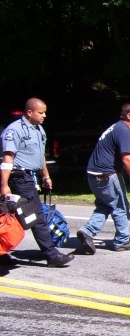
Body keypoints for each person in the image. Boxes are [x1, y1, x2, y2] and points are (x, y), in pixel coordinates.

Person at [0, 98, 74, 267]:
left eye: (45, 112)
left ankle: (1, 252)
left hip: (30, 177)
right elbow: (8, 158)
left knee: (15, 217)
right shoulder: (14, 130)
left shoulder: (39, 130)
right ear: (29, 112)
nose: (44, 115)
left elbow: (40, 157)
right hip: (17, 177)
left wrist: (45, 176)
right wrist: (4, 185)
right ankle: (51, 255)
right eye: (41, 112)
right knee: (35, 216)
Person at [75, 103, 130, 254]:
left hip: (93, 175)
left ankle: (87, 232)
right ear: (129, 115)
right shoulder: (123, 131)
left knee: (105, 205)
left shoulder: (115, 128)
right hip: (107, 175)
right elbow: (126, 159)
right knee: (121, 207)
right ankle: (122, 241)